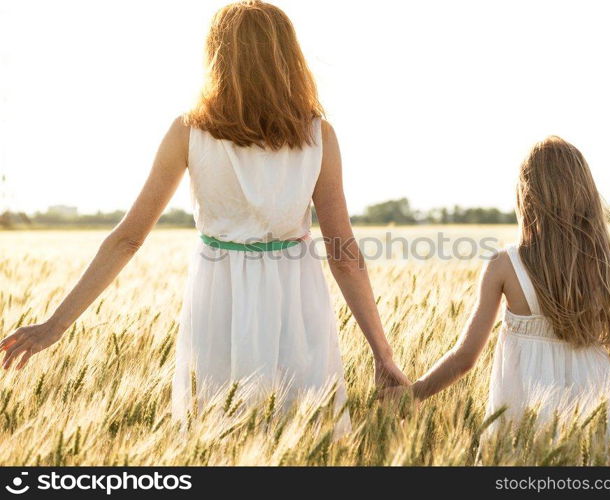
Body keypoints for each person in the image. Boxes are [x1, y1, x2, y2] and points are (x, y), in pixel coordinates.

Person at [0, 1, 409, 431]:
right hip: (295, 293)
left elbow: (128, 239)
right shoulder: (317, 134)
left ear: (215, 56)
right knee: (302, 424)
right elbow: (343, 253)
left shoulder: (189, 130)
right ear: (289, 57)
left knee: (216, 428)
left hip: (219, 293)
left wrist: (55, 325)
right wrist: (383, 355)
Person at [386, 136, 610, 462]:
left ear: (527, 196)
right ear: (587, 195)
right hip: (591, 433)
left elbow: (465, 357)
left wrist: (414, 393)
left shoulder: (506, 265)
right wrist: (581, 373)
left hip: (522, 429)